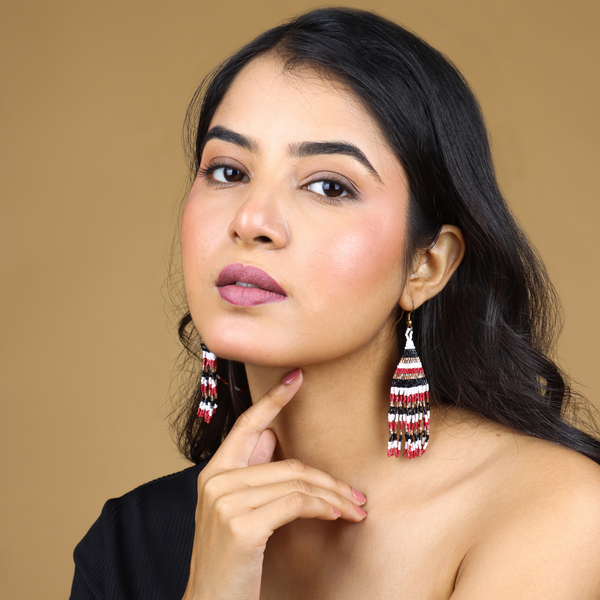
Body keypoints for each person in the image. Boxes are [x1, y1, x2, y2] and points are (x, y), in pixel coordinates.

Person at [69, 7, 600, 600]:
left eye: (328, 186)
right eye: (226, 170)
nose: (251, 220)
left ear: (426, 265)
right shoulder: (129, 540)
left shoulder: (551, 510)